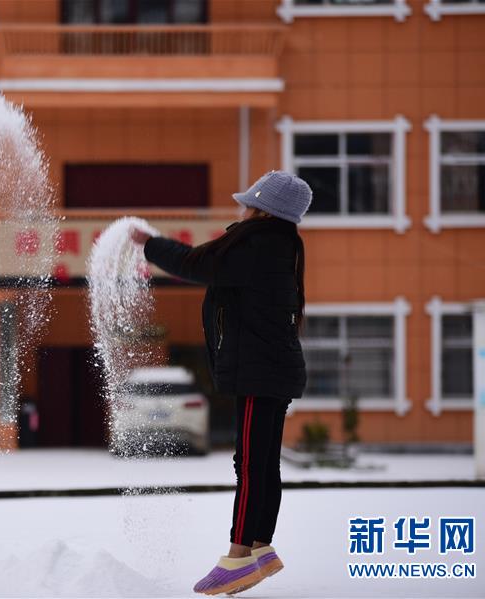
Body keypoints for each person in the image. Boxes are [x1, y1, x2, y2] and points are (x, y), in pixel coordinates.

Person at [131, 170, 311, 595]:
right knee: (264, 463)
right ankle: (261, 548)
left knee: (249, 465)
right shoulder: (283, 246)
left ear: (262, 209)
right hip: (274, 368)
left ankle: (238, 558)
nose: (242, 208)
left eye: (249, 202)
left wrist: (151, 244)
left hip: (259, 371)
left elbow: (198, 264)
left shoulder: (256, 244)